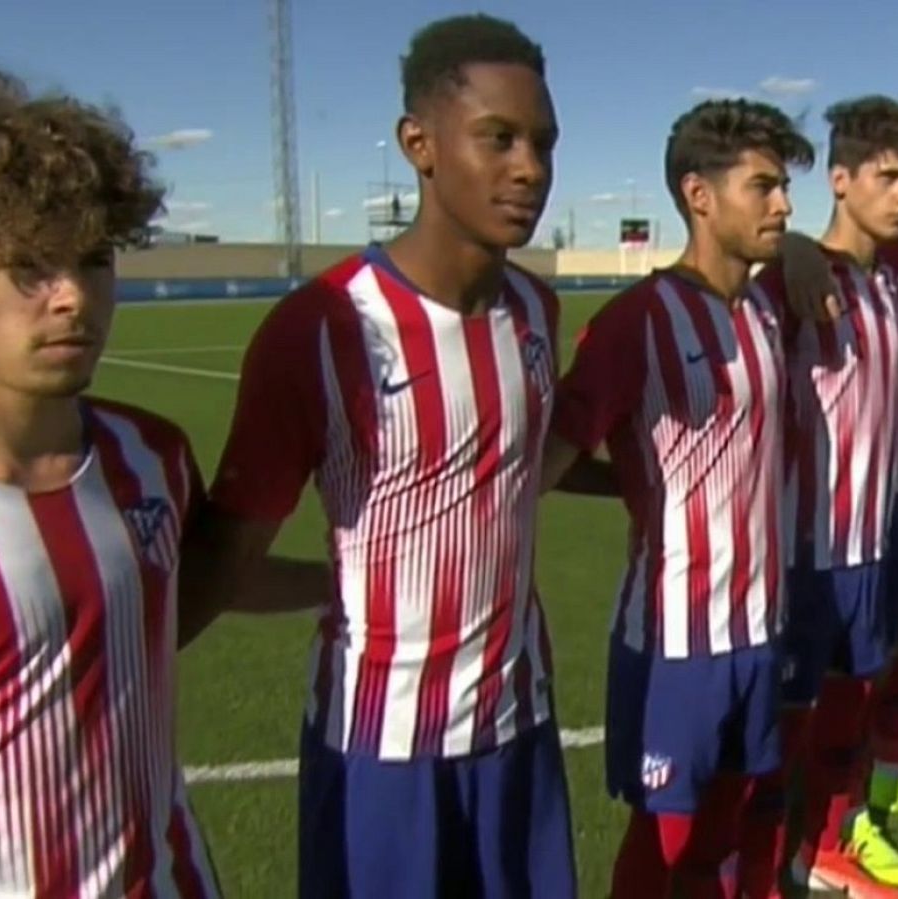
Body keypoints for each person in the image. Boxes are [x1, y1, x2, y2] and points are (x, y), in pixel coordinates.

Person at [188, 16, 576, 897]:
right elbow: (222, 565)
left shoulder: (537, 315)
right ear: (419, 144)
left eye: (544, 143)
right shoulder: (320, 329)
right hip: (381, 749)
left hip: (521, 723)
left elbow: (521, 466)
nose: (530, 168)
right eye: (499, 138)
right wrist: (344, 586)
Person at [0, 64, 219, 896]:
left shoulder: (153, 456)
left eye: (93, 259)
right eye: (28, 265)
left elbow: (200, 573)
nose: (73, 297)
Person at [542, 97, 814, 898]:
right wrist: (635, 486)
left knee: (729, 821)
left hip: (762, 621)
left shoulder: (766, 308)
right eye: (764, 187)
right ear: (700, 195)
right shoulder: (636, 322)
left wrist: (805, 253)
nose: (784, 205)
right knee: (664, 838)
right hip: (675, 639)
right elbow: (548, 457)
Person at [748, 95, 898, 898]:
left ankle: (825, 844)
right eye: (888, 175)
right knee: (787, 727)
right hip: (806, 551)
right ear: (840, 180)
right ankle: (774, 867)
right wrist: (794, 245)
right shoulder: (793, 277)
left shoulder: (879, 286)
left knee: (846, 702)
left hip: (869, 540)